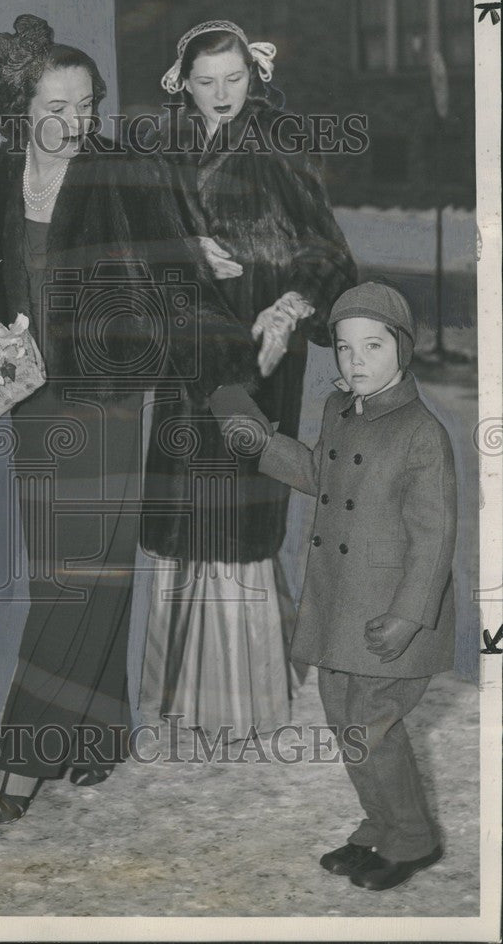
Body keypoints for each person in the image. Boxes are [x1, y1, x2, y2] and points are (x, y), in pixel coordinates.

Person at [0, 14, 265, 825]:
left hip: (109, 395)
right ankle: (98, 732)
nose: (72, 120)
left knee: (79, 573)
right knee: (72, 570)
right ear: (20, 103)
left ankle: (20, 760)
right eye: (55, 103)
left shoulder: (120, 168)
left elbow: (171, 258)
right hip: (28, 394)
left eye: (85, 104)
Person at [140, 21, 357, 740]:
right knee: (188, 514)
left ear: (254, 76)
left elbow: (327, 252)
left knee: (237, 513)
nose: (221, 94)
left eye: (233, 79)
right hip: (187, 352)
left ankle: (240, 697)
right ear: (183, 82)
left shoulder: (280, 145)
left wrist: (290, 307)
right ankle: (179, 692)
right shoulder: (164, 148)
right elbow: (131, 238)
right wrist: (183, 249)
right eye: (206, 81)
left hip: (261, 356)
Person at [211, 282, 456, 891]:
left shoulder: (422, 434)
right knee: (348, 723)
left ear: (403, 349)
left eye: (373, 346)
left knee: (372, 726)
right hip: (340, 604)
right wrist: (260, 441)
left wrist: (409, 617)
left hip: (389, 618)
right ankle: (383, 822)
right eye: (345, 349)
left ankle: (414, 839)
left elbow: (434, 541)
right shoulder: (341, 411)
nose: (357, 361)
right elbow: (319, 474)